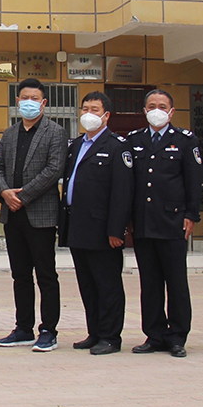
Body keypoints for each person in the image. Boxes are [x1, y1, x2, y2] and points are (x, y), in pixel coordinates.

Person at [0, 78, 68, 352]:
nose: (29, 103)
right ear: (17, 101)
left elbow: (54, 170)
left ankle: (48, 330)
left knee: (45, 275)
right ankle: (23, 327)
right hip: (12, 215)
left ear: (43, 103)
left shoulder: (56, 132)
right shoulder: (10, 133)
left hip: (41, 214)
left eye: (34, 98)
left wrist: (21, 197)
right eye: (24, 98)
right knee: (20, 275)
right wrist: (4, 193)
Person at [126, 89, 203, 358]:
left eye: (162, 106)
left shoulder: (185, 140)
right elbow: (128, 183)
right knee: (150, 283)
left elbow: (194, 181)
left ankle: (177, 336)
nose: (156, 110)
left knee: (176, 282)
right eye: (151, 106)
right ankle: (154, 334)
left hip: (173, 221)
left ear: (171, 111)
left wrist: (191, 215)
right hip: (144, 222)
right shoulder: (134, 140)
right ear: (144, 110)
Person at [60, 91, 132, 356]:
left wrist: (116, 229)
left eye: (95, 109)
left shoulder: (117, 146)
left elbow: (122, 192)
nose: (88, 114)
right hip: (78, 225)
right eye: (85, 109)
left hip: (103, 230)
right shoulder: (76, 145)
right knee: (87, 284)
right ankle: (95, 332)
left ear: (106, 115)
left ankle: (111, 337)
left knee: (107, 285)